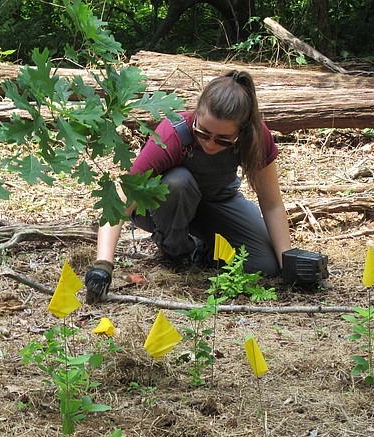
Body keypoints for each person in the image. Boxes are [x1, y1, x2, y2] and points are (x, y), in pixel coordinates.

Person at [84, 70, 292, 304]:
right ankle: (176, 251)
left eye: (223, 139)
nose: (210, 143)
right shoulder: (172, 134)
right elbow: (125, 195)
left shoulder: (255, 137)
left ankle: (203, 250)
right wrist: (103, 265)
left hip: (217, 202)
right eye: (202, 132)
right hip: (162, 204)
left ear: (241, 131)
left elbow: (272, 204)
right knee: (178, 182)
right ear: (196, 114)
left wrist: (288, 262)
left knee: (264, 266)